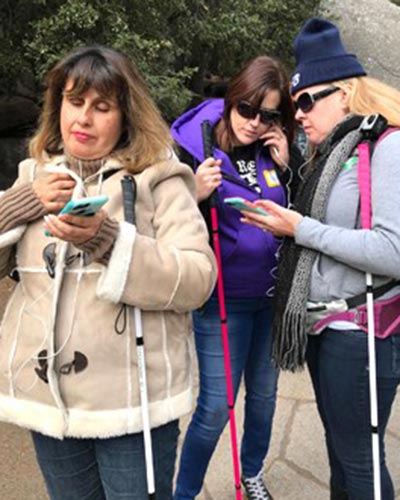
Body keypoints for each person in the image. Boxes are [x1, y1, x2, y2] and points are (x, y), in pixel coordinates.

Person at [0, 45, 217, 500]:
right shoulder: (33, 175)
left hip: (131, 405)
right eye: (74, 102)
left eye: (102, 107)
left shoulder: (162, 177)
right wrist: (25, 201)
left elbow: (198, 279)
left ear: (126, 116)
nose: (83, 119)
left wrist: (107, 240)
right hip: (48, 402)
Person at [241, 18, 400, 500]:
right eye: (296, 105)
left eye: (309, 100)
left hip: (363, 334)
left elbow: (393, 251)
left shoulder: (388, 145)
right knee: (342, 453)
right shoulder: (332, 154)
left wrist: (298, 228)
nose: (301, 114)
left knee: (360, 461)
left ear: (346, 94)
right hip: (325, 331)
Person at [171, 55, 300, 500]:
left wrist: (291, 168)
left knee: (263, 400)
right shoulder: (195, 147)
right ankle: (184, 493)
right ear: (231, 100)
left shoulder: (275, 150)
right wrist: (194, 192)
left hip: (271, 298)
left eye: (269, 114)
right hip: (222, 300)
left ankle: (252, 474)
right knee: (215, 408)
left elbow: (300, 218)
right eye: (247, 109)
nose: (254, 122)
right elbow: (163, 222)